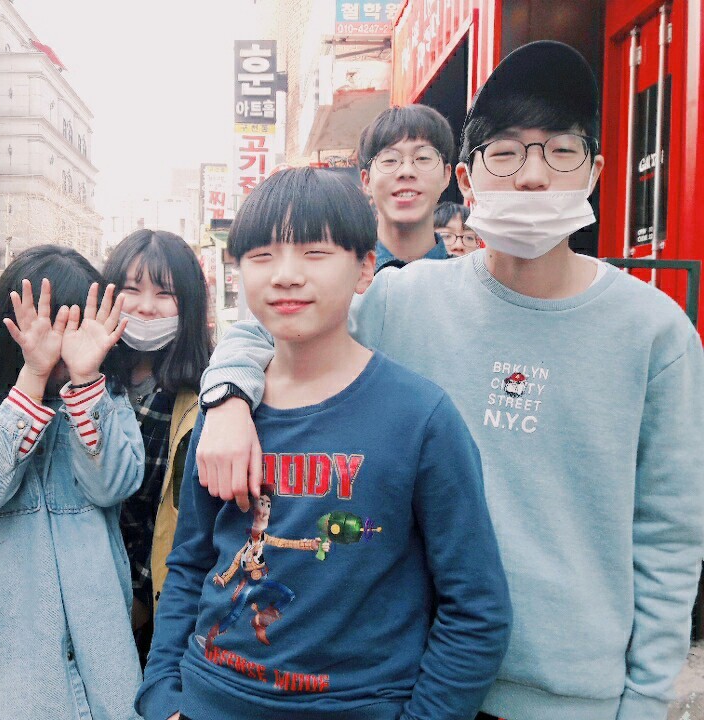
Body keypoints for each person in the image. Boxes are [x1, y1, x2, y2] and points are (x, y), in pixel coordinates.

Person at [195, 41, 704, 720]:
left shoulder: (655, 331)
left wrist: (643, 700)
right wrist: (228, 397)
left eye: (561, 151)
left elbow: (669, 535)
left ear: (595, 171)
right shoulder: (405, 298)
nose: (532, 177)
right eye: (506, 154)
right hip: (420, 677)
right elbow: (276, 323)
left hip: (569, 694)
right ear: (466, 178)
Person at [137, 169, 511, 720]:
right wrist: (162, 696)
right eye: (262, 256)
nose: (286, 276)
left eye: (315, 253)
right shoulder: (224, 416)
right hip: (207, 698)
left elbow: (475, 608)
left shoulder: (420, 417)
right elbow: (191, 563)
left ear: (365, 268)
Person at [0, 245, 145, 720]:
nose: (62, 345)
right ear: (10, 328)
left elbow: (114, 486)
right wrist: (33, 376)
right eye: (49, 328)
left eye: (76, 329)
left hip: (102, 682)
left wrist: (86, 383)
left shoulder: (106, 402)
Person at [101, 229, 213, 665]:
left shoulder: (204, 394)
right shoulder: (85, 377)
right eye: (132, 289)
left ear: (189, 304)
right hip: (84, 588)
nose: (146, 306)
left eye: (165, 293)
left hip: (153, 600)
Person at [358, 104, 456, 270]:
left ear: (446, 176)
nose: (407, 171)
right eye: (390, 160)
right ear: (367, 181)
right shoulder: (345, 279)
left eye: (423, 158)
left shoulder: (470, 280)